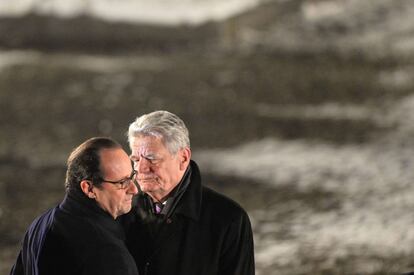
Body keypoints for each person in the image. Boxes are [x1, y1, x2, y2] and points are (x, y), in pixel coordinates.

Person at [123, 110, 255, 275]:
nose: (140, 168)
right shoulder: (122, 211)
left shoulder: (229, 219)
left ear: (183, 158)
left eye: (152, 158)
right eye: (135, 159)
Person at [10, 137, 139, 275]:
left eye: (132, 176)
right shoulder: (107, 254)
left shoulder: (39, 225)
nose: (134, 189)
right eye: (122, 182)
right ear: (89, 188)